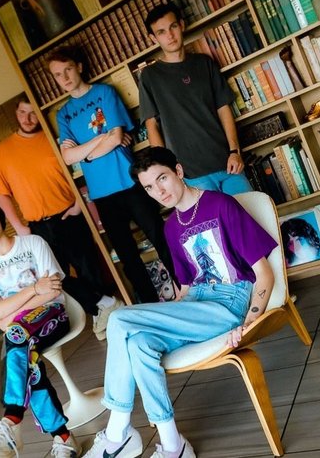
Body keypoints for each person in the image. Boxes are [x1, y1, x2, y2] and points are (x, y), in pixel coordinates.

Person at [83, 147, 277, 458]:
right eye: (149, 187)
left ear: (179, 171)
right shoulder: (171, 227)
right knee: (139, 344)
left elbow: (264, 273)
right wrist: (168, 316)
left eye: (162, 178)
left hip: (228, 304)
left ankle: (117, 432)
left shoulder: (221, 205)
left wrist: (248, 322)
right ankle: (174, 446)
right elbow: (185, 289)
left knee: (119, 319)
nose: (158, 191)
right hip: (195, 305)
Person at [48, 46, 175, 304]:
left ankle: (187, 289)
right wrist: (101, 139)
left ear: (79, 67)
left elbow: (117, 137)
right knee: (128, 257)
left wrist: (86, 152)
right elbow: (68, 157)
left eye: (68, 69)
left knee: (161, 239)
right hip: (101, 195)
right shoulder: (64, 114)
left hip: (129, 182)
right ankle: (151, 307)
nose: (65, 78)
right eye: (58, 75)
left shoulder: (104, 93)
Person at [0, 96, 123, 340]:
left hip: (69, 215)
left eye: (32, 112)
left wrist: (78, 204)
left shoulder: (56, 140)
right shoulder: (3, 151)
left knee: (89, 268)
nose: (28, 118)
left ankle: (103, 317)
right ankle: (105, 304)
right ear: (16, 113)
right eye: (22, 112)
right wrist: (19, 227)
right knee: (54, 279)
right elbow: (1, 195)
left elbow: (81, 166)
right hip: (36, 227)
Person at [0, 194, 81, 458]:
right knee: (29, 361)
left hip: (53, 315)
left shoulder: (32, 243)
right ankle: (63, 438)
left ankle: (12, 421)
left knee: (14, 334)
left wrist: (9, 312)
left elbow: (53, 291)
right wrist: (34, 288)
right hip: (22, 333)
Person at [138, 3, 252, 195]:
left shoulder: (204, 63)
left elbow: (223, 108)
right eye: (161, 32)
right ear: (153, 38)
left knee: (251, 211)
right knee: (212, 217)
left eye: (173, 26)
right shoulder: (150, 76)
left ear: (182, 25)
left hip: (227, 163)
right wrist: (167, 171)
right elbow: (152, 126)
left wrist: (234, 151)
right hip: (190, 174)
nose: (170, 35)